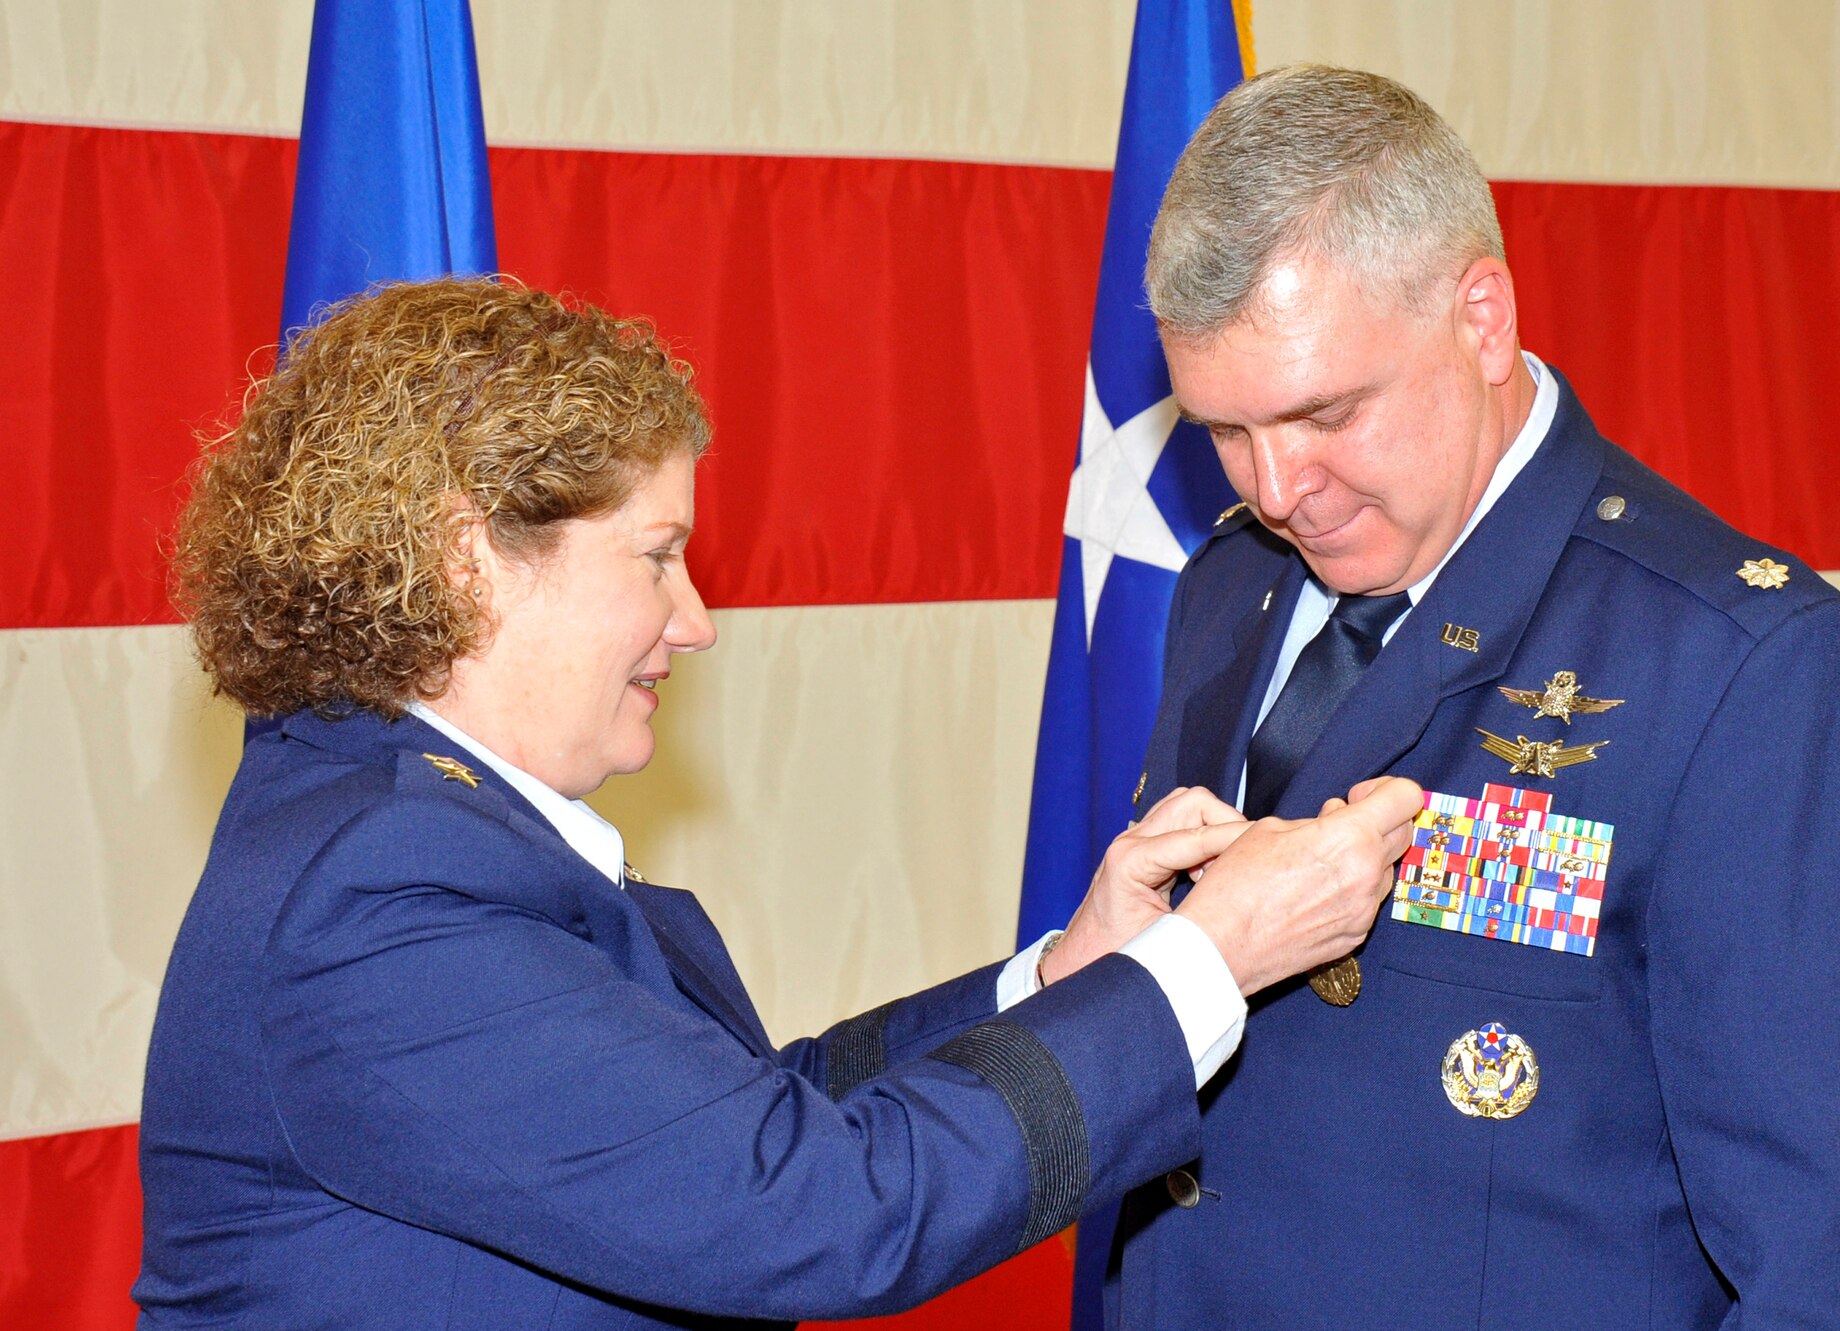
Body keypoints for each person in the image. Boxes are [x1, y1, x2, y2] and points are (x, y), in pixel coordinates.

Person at [133, 276, 1420, 1329]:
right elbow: (818, 1206)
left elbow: (752, 1119)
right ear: (473, 561)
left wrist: (1078, 970)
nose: (691, 622)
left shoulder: (396, 820)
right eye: (653, 557)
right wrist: (1209, 955)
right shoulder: (387, 891)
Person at [1103, 65, 1840, 1328]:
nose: (1278, 487)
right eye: (1224, 431)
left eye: (1324, 412)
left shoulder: (1746, 668)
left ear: (1481, 317)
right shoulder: (1226, 589)